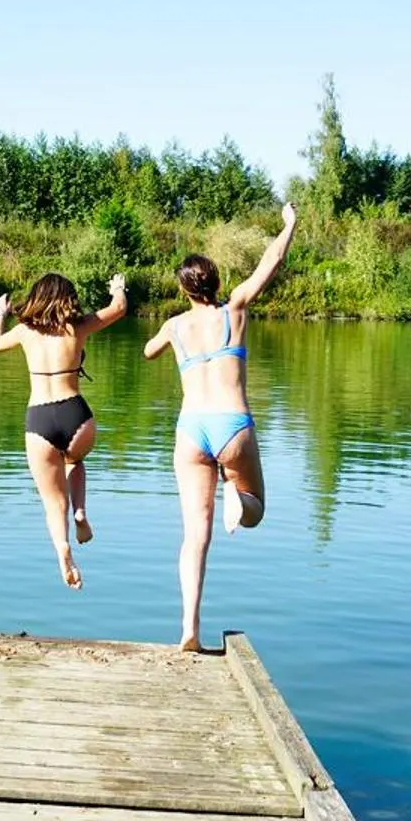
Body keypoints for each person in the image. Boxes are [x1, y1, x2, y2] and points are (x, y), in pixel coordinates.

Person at [142, 202, 297, 650]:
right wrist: (289, 224)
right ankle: (239, 498)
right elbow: (272, 262)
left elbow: (149, 351)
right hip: (233, 423)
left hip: (191, 429)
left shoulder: (174, 326)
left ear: (184, 288)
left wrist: (166, 337)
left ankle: (189, 629)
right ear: (216, 283)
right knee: (256, 511)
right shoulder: (237, 309)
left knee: (195, 536)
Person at [0, 272, 129, 590]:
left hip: (39, 420)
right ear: (69, 298)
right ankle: (80, 511)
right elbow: (118, 308)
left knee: (53, 503)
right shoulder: (78, 327)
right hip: (76, 414)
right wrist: (117, 286)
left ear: (37, 297)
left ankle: (63, 549)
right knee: (75, 461)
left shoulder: (25, 331)